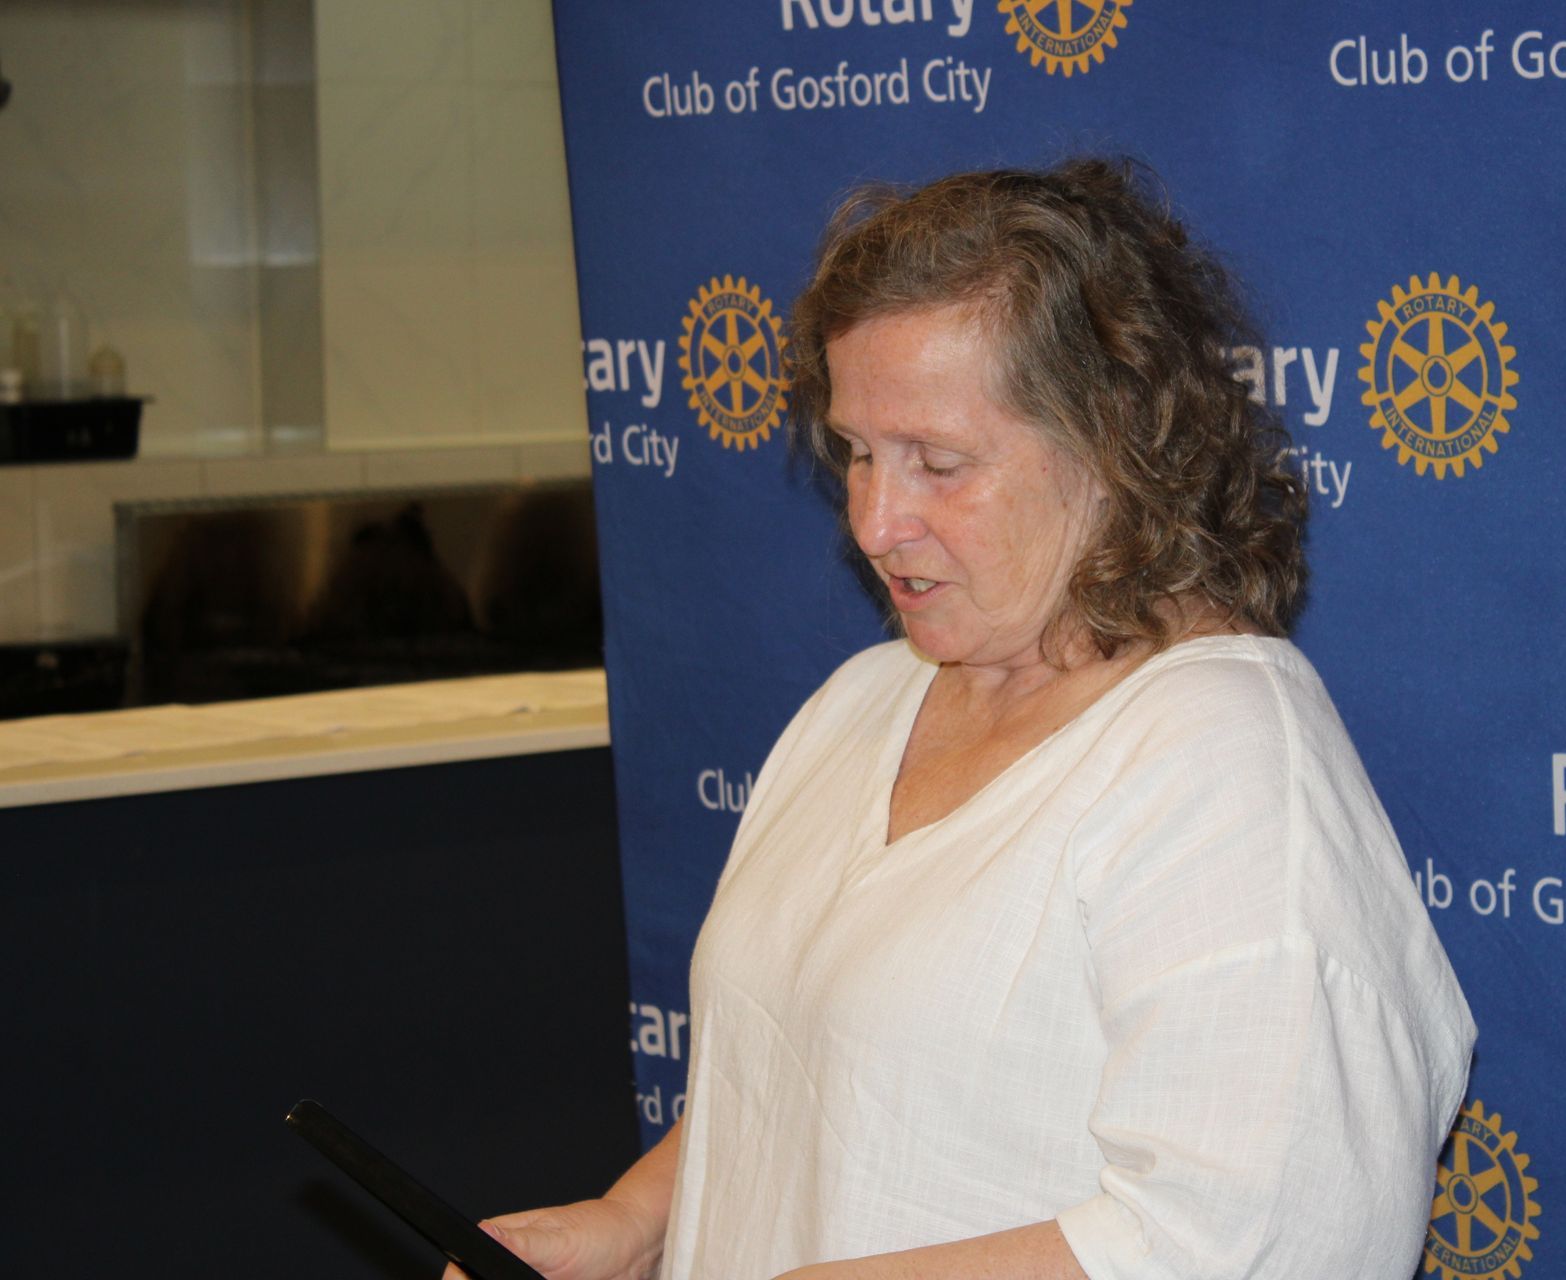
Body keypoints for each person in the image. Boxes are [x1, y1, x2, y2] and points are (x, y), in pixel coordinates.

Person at [452, 159, 1474, 1280]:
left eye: (939, 463)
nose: (878, 521)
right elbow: (799, 1090)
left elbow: (1264, 1230)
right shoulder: (862, 699)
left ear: (1115, 446)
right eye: (857, 452)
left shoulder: (1224, 762)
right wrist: (634, 1221)